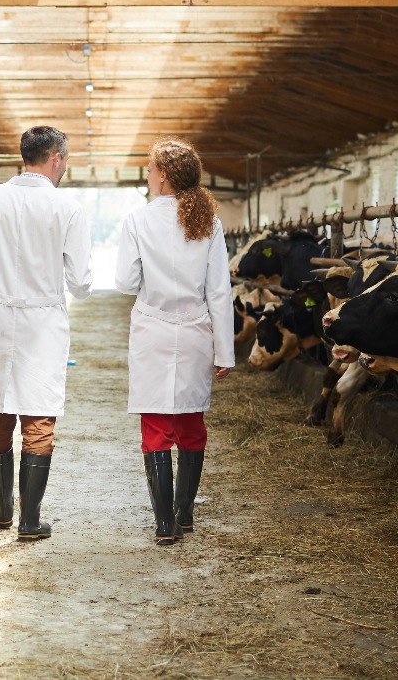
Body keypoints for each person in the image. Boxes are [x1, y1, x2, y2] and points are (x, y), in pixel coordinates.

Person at [0, 126, 93, 541]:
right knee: (39, 417)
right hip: (43, 320)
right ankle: (30, 521)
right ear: (56, 158)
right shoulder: (67, 209)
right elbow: (82, 283)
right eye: (65, 160)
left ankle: (2, 508)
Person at [114, 139, 234, 545]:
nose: (147, 176)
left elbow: (126, 282)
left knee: (156, 424)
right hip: (198, 329)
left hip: (153, 329)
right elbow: (220, 291)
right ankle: (184, 517)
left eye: (149, 169)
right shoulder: (208, 221)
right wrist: (226, 351)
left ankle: (164, 524)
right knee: (191, 424)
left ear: (163, 176)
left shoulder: (137, 220)